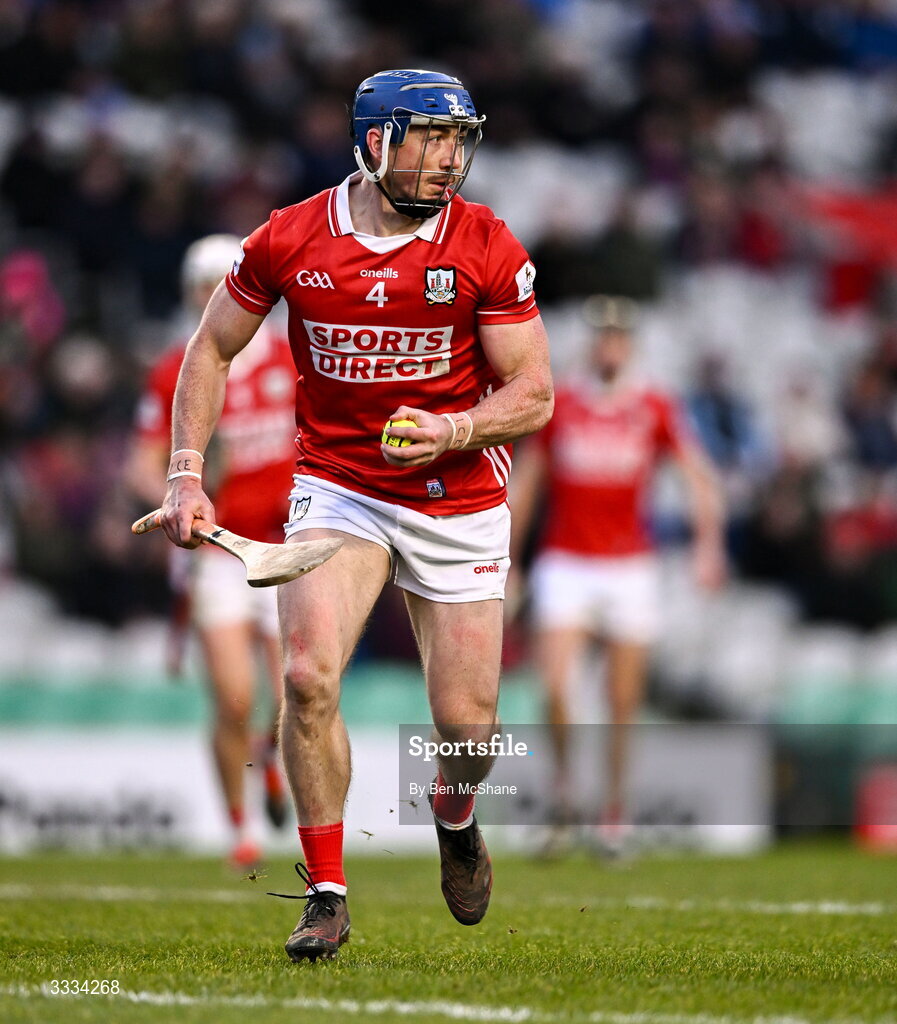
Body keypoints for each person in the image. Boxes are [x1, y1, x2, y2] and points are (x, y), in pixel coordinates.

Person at [156, 70, 553, 962]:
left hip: (459, 497)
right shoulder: (291, 237)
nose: (449, 160)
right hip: (339, 487)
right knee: (303, 677)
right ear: (375, 143)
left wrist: (455, 426)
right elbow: (210, 349)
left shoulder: (485, 241)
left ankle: (454, 815)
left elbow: (533, 392)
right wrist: (185, 472)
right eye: (430, 139)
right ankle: (326, 889)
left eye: (460, 140)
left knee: (466, 730)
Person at [509, 296, 725, 857]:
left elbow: (698, 476)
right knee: (554, 684)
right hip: (567, 559)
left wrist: (708, 546)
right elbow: (528, 482)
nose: (609, 347)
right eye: (601, 337)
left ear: (629, 346)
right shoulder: (564, 405)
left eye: (618, 338)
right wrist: (510, 560)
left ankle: (612, 812)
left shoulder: (653, 405)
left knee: (621, 699)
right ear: (591, 343)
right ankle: (562, 795)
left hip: (630, 563)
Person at [127, 234, 297, 870]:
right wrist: (174, 497)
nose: (209, 297)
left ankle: (273, 760)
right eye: (199, 286)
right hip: (217, 553)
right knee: (230, 696)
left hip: (284, 547)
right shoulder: (175, 368)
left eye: (216, 283)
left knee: (292, 692)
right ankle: (238, 828)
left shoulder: (292, 361)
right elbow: (141, 465)